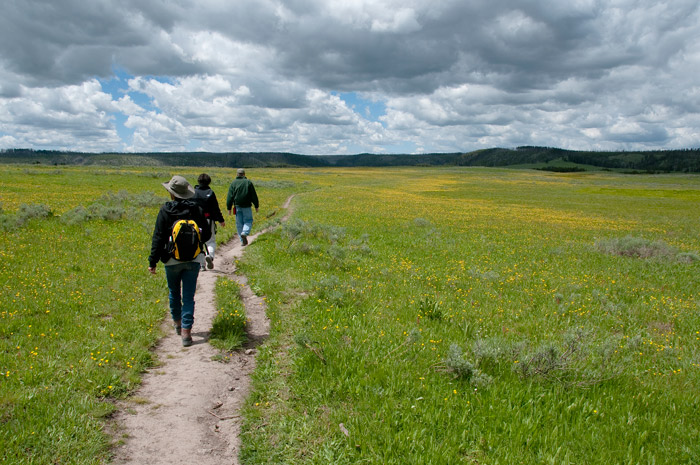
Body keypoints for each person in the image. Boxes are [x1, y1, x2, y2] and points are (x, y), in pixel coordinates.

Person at [148, 175, 211, 347]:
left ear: (172, 193)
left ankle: (177, 323)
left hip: (171, 260)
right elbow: (206, 235)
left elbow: (158, 237)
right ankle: (186, 332)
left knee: (174, 293)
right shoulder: (196, 209)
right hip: (193, 259)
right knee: (189, 296)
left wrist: (152, 261)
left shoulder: (165, 210)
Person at [193, 173, 226, 270]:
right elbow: (216, 208)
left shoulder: (193, 192)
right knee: (210, 241)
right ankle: (210, 256)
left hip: (195, 220)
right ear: (209, 182)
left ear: (198, 181)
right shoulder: (210, 193)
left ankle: (202, 265)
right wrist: (221, 220)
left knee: (198, 242)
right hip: (208, 220)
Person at [226, 168, 259, 246]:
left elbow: (230, 196)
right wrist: (256, 206)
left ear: (237, 174)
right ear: (244, 174)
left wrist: (229, 208)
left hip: (237, 206)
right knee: (248, 220)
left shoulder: (233, 183)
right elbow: (253, 195)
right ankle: (245, 232)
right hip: (247, 206)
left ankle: (242, 240)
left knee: (239, 223)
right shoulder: (248, 182)